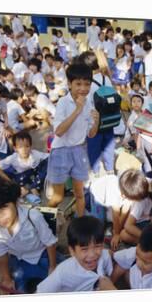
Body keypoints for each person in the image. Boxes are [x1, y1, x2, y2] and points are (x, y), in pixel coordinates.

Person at [0, 178, 58, 293]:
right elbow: (1, 252)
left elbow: (50, 242)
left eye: (4, 207)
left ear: (17, 202)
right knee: (16, 291)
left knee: (56, 285)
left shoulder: (33, 216)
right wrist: (6, 279)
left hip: (42, 255)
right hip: (19, 260)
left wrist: (52, 267)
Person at [46, 62, 100, 217]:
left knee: (80, 194)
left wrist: (96, 121)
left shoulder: (89, 102)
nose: (83, 88)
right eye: (78, 84)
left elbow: (91, 134)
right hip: (61, 151)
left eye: (86, 84)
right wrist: (77, 110)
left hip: (79, 150)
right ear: (69, 84)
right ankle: (46, 220)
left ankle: (80, 227)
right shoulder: (63, 102)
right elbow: (59, 131)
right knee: (58, 197)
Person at [36, 216, 115, 293]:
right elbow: (39, 292)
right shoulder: (63, 272)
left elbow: (108, 255)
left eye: (97, 246)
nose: (92, 254)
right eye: (84, 249)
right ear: (72, 251)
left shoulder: (105, 255)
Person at [111, 223, 152, 289]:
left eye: (145, 262)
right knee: (121, 265)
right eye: (137, 257)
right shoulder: (136, 252)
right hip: (134, 286)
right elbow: (116, 257)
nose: (138, 263)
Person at [0, 131, 49, 198]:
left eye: (27, 146)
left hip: (34, 174)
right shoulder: (13, 158)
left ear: (31, 147)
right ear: (15, 148)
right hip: (21, 177)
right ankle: (25, 188)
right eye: (20, 147)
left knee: (46, 165)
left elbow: (49, 157)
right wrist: (9, 182)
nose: (24, 150)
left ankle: (34, 187)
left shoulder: (34, 154)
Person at [111, 169, 152, 248]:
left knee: (123, 235)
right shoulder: (146, 182)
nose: (122, 196)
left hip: (146, 222)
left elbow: (128, 225)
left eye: (124, 194)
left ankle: (150, 241)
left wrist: (117, 233)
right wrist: (117, 232)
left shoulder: (139, 203)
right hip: (151, 218)